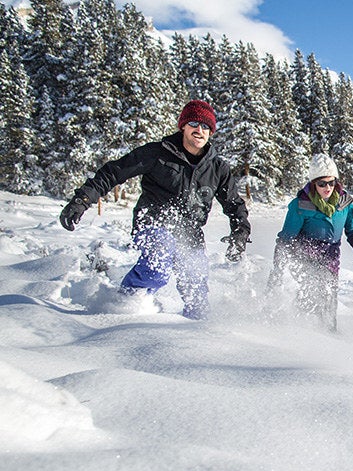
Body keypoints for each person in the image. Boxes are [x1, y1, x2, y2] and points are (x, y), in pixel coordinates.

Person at [58, 100, 250, 319]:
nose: (200, 130)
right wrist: (82, 200)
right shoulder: (157, 153)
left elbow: (234, 205)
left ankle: (197, 336)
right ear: (184, 126)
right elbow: (113, 173)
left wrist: (240, 232)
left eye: (206, 127)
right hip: (154, 223)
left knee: (196, 289)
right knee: (157, 265)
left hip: (190, 234)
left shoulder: (218, 168)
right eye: (195, 124)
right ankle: (121, 309)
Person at [267, 153, 353, 331]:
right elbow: (286, 239)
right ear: (313, 183)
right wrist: (278, 268)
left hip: (331, 257)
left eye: (331, 182)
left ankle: (329, 333)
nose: (328, 187)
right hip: (304, 255)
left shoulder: (345, 203)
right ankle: (300, 331)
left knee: (329, 296)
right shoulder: (301, 205)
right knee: (312, 293)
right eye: (322, 183)